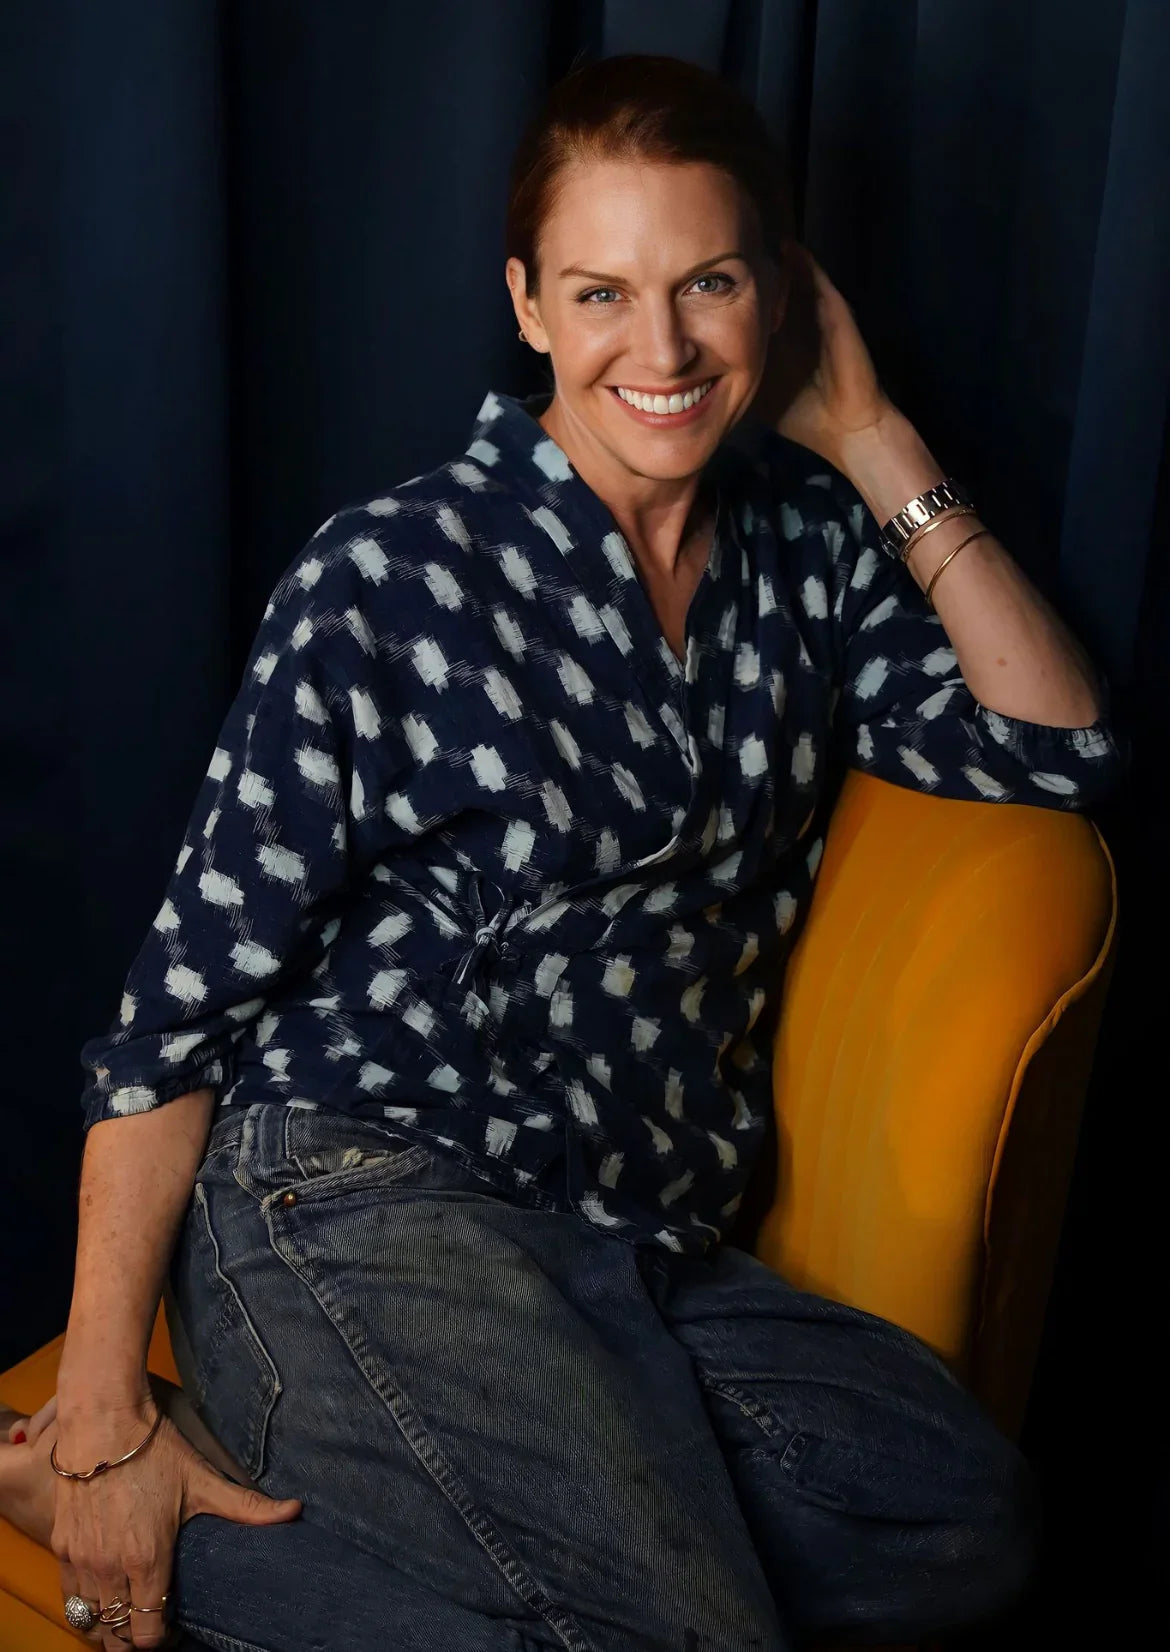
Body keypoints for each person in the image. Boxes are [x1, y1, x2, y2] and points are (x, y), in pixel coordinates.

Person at [0, 52, 1126, 1652]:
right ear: (527, 305)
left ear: (779, 294)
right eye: (601, 293)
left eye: (709, 284)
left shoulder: (805, 554)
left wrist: (871, 434)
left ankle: (291, 1549)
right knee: (683, 1629)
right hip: (354, 1197)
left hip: (631, 1245)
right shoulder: (390, 576)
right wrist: (104, 1403)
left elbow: (1056, 748)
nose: (657, 349)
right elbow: (171, 1020)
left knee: (959, 1514)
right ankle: (94, 1496)